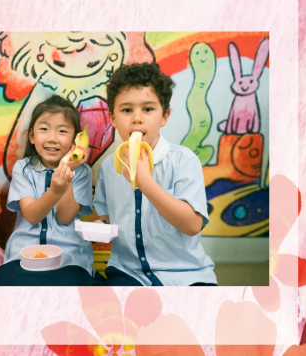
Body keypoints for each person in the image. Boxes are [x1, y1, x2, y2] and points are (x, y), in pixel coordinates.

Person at [93, 62, 217, 287]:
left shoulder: (184, 161)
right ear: (113, 118)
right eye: (126, 110)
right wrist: (100, 226)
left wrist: (144, 181)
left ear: (164, 116)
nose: (137, 118)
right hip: (128, 272)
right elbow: (106, 216)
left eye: (148, 109)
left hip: (185, 274)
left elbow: (192, 225)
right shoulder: (109, 167)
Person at [0, 96, 95, 286]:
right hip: (23, 257)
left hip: (69, 258)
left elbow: (65, 218)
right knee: (4, 285)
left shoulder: (82, 172)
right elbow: (32, 215)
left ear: (75, 140)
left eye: (62, 131)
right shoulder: (23, 169)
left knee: (78, 289)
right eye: (44, 129)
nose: (52, 138)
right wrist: (55, 190)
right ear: (32, 136)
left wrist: (67, 170)